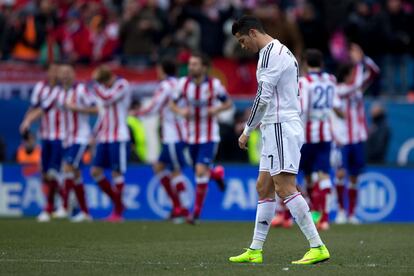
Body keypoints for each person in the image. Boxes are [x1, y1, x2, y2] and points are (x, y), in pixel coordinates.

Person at [229, 16, 329, 265]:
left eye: (242, 40)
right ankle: (255, 249)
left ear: (253, 33)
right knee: (264, 187)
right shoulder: (280, 50)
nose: (243, 46)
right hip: (276, 127)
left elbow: (262, 97)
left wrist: (247, 130)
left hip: (281, 127)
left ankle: (317, 246)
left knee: (285, 187)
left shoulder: (269, 54)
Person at [170, 52, 232, 224]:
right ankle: (217, 174)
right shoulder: (183, 84)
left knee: (199, 170)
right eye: (190, 64)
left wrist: (217, 110)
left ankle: (195, 213)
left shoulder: (214, 85)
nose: (191, 67)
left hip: (209, 135)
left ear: (204, 67)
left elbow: (228, 103)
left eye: (195, 64)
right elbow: (172, 103)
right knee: (200, 171)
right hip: (190, 136)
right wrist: (180, 111)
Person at [131, 58, 189, 222]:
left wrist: (137, 113)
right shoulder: (179, 84)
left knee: (175, 171)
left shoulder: (165, 86)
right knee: (159, 167)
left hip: (174, 136)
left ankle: (182, 209)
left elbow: (154, 106)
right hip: (179, 134)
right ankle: (177, 206)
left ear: (162, 70)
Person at [333, 44, 380, 224]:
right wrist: (359, 63)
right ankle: (341, 211)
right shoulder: (339, 90)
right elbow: (356, 85)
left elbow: (375, 72)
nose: (356, 74)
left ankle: (352, 214)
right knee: (340, 174)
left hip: (358, 137)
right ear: (346, 74)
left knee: (354, 176)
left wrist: (363, 58)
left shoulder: (357, 87)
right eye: (353, 72)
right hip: (343, 139)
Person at [298, 49, 343, 230]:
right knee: (323, 175)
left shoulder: (304, 81)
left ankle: (313, 212)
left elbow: (304, 108)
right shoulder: (331, 80)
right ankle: (323, 217)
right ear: (322, 63)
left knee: (302, 175)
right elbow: (336, 104)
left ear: (305, 64)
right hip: (325, 134)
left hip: (307, 135)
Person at [20, 63, 65, 222]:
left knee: (54, 172)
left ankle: (51, 207)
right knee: (45, 174)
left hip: (61, 135)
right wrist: (26, 123)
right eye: (53, 70)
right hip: (45, 135)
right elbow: (34, 107)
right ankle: (64, 201)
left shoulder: (61, 90)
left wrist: (27, 121)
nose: (55, 73)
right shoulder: (40, 87)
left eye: (57, 70)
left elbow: (43, 109)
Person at [90, 65, 131, 222]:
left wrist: (96, 87)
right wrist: (95, 133)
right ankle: (118, 203)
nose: (103, 87)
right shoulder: (103, 89)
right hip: (104, 137)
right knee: (95, 171)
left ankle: (118, 211)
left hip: (119, 137)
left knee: (116, 173)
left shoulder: (122, 84)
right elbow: (103, 114)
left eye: (103, 83)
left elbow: (108, 98)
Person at [56, 64, 96, 222]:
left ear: (73, 74)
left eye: (68, 72)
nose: (65, 75)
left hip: (80, 137)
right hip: (67, 138)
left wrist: (76, 108)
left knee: (67, 167)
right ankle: (86, 213)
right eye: (62, 72)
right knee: (76, 174)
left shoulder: (80, 90)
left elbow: (97, 109)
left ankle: (65, 207)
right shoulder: (59, 93)